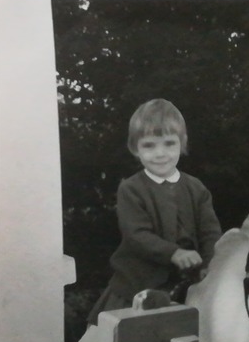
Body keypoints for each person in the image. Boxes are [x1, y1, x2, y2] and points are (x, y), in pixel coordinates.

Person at [90, 98, 221, 319]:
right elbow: (137, 235)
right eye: (149, 145)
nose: (160, 153)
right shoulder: (131, 189)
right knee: (127, 341)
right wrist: (174, 253)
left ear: (182, 143)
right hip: (139, 285)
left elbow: (210, 232)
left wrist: (210, 263)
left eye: (169, 143)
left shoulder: (196, 188)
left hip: (189, 284)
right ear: (135, 148)